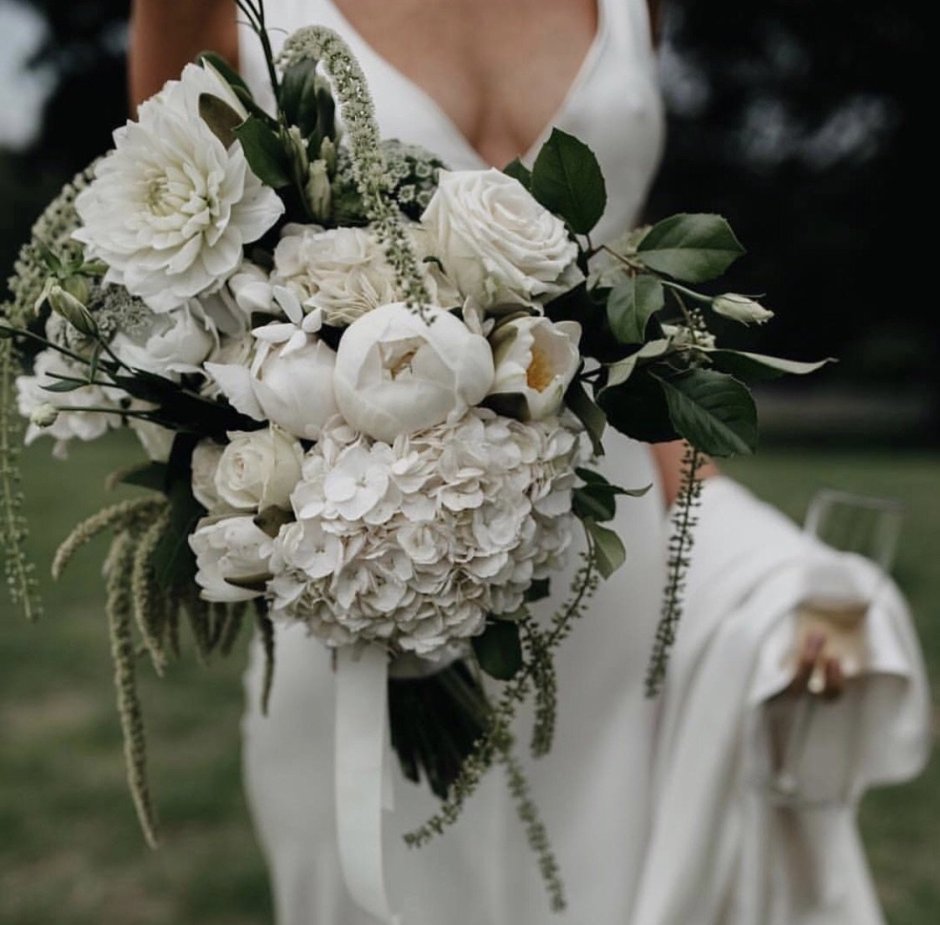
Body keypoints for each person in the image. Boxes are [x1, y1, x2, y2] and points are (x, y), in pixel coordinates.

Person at [128, 2, 930, 923]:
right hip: (361, 580)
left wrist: (751, 562)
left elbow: (632, 300)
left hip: (608, 563)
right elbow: (168, 272)